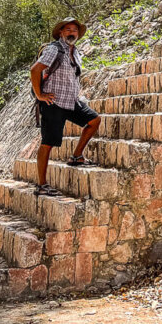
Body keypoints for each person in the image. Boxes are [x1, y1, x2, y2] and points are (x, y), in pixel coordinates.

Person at [30, 17, 101, 196]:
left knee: (94, 119)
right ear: (61, 32)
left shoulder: (75, 51)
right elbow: (35, 70)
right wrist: (39, 95)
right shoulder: (54, 49)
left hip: (70, 101)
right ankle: (42, 185)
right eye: (68, 29)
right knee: (47, 143)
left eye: (74, 30)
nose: (71, 33)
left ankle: (76, 156)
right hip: (53, 102)